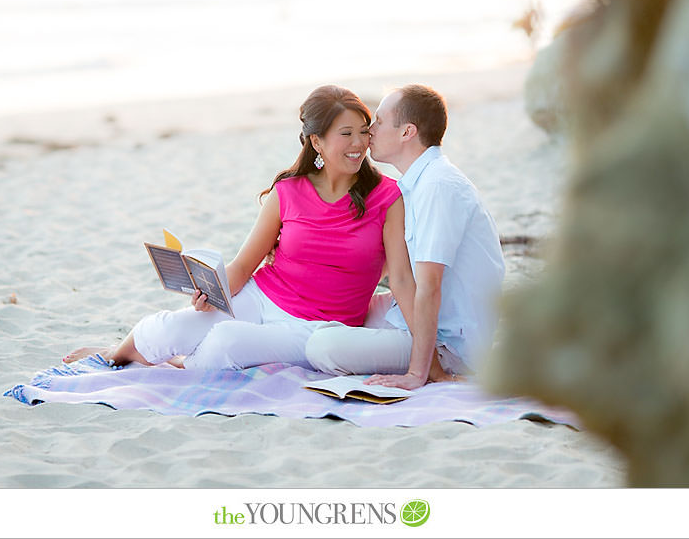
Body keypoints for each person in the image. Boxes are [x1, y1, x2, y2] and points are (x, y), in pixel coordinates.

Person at [63, 85, 416, 371]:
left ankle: (177, 364)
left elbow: (399, 278)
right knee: (170, 328)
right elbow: (245, 265)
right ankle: (116, 353)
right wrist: (210, 294)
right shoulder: (288, 191)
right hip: (261, 297)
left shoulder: (387, 197)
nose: (358, 144)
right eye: (346, 134)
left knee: (222, 345)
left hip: (316, 327)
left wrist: (424, 357)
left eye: (362, 132)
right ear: (317, 142)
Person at [304, 84, 506, 389]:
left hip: (450, 343)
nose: (370, 130)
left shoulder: (437, 186)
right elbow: (395, 270)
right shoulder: (419, 182)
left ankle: (423, 363)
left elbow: (429, 287)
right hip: (420, 317)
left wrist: (417, 373)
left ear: (407, 132)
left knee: (323, 348)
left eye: (380, 122)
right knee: (338, 312)